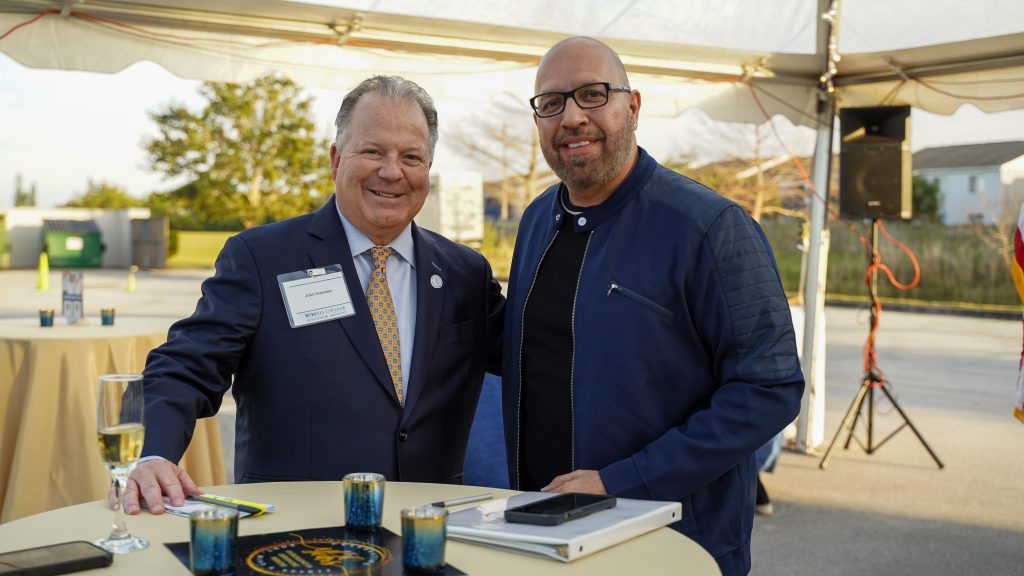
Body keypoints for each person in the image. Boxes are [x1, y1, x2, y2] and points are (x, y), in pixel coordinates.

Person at [114, 75, 504, 515]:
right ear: (336, 159)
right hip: (296, 531)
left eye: (411, 157)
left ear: (427, 170)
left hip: (429, 526)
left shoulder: (464, 273)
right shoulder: (262, 258)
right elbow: (185, 366)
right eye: (373, 151)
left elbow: (543, 362)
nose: (392, 171)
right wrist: (155, 454)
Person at [501, 37, 804, 576]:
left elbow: (769, 388)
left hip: (670, 544)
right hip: (543, 535)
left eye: (592, 95)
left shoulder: (710, 228)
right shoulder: (535, 221)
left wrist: (622, 484)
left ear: (632, 106)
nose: (571, 117)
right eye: (550, 103)